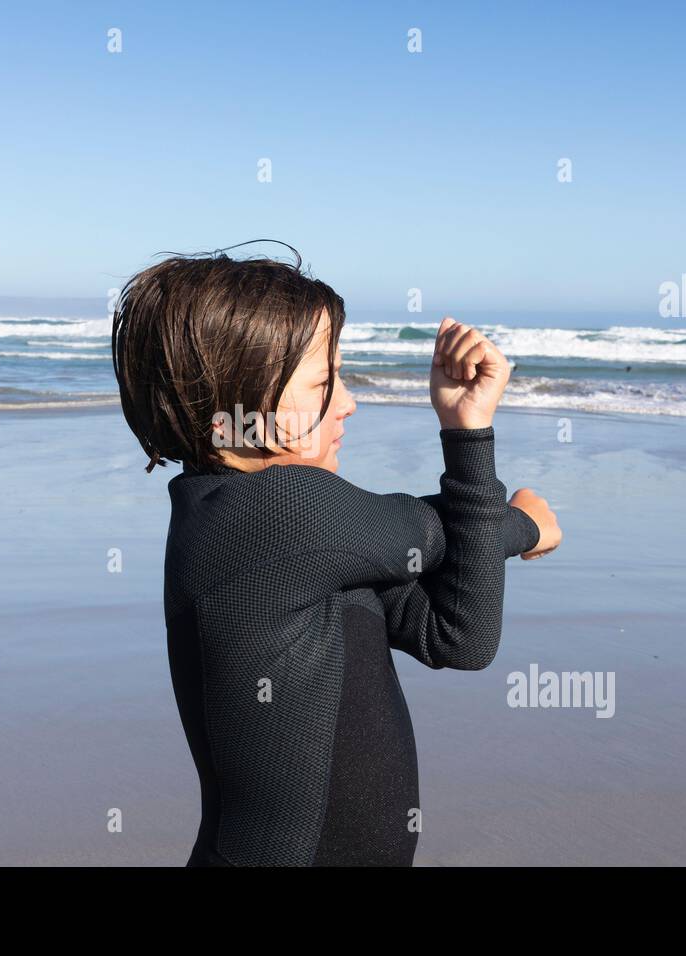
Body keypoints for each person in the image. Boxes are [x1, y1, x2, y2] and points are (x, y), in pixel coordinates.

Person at [111, 245, 561, 866]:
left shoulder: (281, 534)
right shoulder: (276, 514)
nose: (349, 402)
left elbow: (461, 637)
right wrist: (526, 523)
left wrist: (468, 432)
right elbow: (446, 529)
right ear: (240, 401)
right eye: (325, 383)